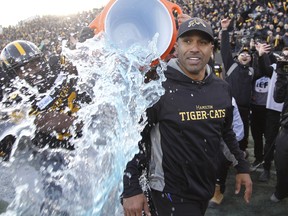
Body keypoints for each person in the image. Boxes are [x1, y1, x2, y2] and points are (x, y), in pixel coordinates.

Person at [122, 17, 252, 216]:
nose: (194, 48)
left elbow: (225, 132)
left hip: (204, 189)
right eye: (188, 41)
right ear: (176, 47)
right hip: (169, 192)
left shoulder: (222, 88)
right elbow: (133, 138)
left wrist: (241, 166)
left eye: (202, 42)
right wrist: (131, 188)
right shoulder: (157, 87)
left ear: (211, 48)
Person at [0, 40, 90, 213]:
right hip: (55, 152)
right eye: (23, 68)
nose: (33, 70)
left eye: (35, 63)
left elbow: (84, 62)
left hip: (86, 137)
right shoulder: (15, 101)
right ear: (12, 75)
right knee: (57, 198)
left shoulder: (59, 65)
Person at [220, 18, 256, 154]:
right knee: (228, 131)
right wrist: (224, 31)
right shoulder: (231, 65)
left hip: (245, 109)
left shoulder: (252, 70)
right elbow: (224, 50)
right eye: (242, 54)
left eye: (248, 54)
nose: (245, 56)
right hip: (230, 107)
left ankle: (241, 153)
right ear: (237, 56)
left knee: (244, 133)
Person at [270, 47, 288, 202]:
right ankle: (281, 190)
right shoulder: (285, 74)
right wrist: (281, 74)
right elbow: (278, 98)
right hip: (287, 129)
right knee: (281, 163)